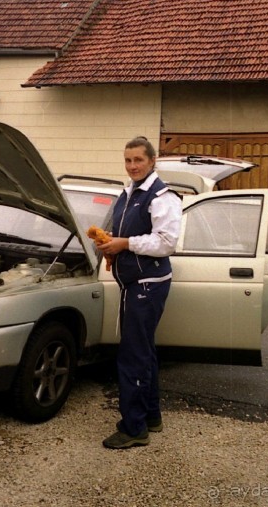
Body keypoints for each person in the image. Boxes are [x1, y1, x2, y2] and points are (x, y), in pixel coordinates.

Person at [98, 136, 182, 449]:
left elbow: (166, 242)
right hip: (133, 282)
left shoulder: (162, 196)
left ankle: (133, 428)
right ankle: (151, 416)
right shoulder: (130, 191)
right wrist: (111, 247)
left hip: (148, 283)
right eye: (128, 160)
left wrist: (125, 244)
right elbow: (126, 233)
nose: (132, 166)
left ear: (152, 161)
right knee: (144, 350)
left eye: (138, 160)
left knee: (132, 355)